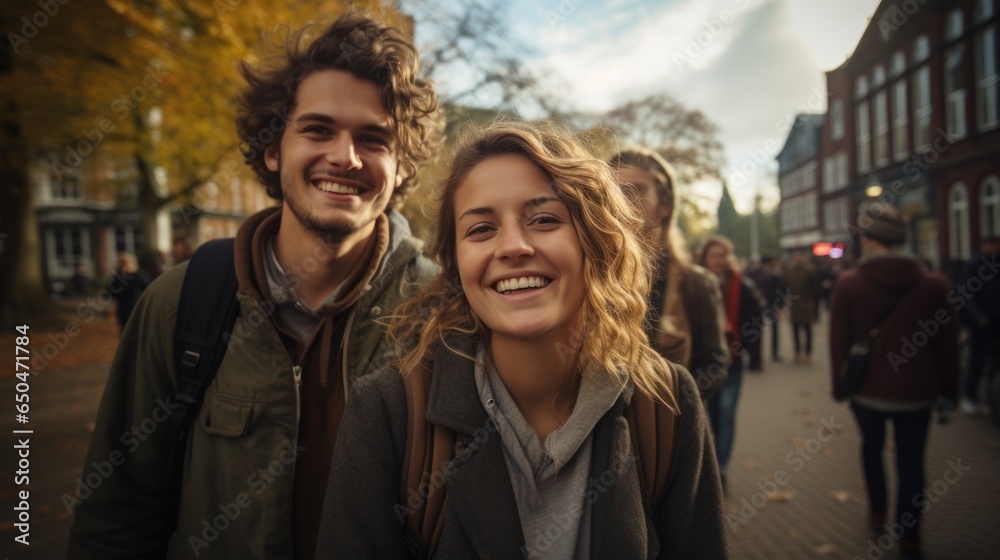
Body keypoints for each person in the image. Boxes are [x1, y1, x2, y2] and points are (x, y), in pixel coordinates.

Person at [67, 13, 439, 559]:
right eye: (318, 129)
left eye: (373, 138)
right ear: (272, 149)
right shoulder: (178, 304)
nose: (345, 156)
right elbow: (116, 514)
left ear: (401, 167)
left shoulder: (441, 313)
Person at [317, 123, 727, 558]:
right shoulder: (387, 410)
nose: (513, 247)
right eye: (481, 229)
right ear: (455, 265)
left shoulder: (667, 403)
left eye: (544, 220)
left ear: (595, 241)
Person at [829, 206, 959, 560]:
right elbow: (947, 345)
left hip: (866, 390)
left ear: (871, 241)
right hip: (918, 392)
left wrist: (840, 386)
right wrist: (950, 391)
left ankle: (877, 511)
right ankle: (910, 535)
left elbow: (838, 341)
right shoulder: (934, 285)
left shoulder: (850, 283)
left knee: (871, 449)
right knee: (912, 462)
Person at [608, 147, 728, 398]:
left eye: (636, 190)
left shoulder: (696, 284)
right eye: (613, 190)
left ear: (665, 205)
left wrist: (674, 406)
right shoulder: (584, 278)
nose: (621, 200)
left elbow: (714, 363)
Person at [697, 235, 762, 490]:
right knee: (707, 416)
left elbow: (756, 320)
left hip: (731, 362)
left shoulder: (741, 285)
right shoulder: (695, 285)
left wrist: (741, 342)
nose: (718, 260)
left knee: (726, 412)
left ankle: (720, 467)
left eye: (722, 255)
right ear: (705, 258)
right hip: (703, 365)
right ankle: (709, 462)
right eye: (713, 255)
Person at [957, 236, 1000, 414]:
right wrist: (978, 317)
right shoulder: (973, 266)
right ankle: (969, 396)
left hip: (997, 320)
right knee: (977, 358)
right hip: (980, 324)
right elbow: (964, 293)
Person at [786, 250, 818, 364]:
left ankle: (808, 354)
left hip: (806, 305)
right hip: (794, 306)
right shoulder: (790, 271)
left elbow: (815, 290)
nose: (798, 259)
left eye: (800, 257)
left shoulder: (810, 271)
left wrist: (814, 308)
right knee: (795, 331)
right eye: (796, 257)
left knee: (808, 331)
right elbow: (786, 288)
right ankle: (797, 354)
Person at [108, 252, 151, 332]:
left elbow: (148, 290)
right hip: (123, 310)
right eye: (121, 264)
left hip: (137, 309)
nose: (123, 267)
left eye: (124, 264)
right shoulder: (118, 278)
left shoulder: (139, 276)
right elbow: (110, 292)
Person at [755, 256, 787, 363]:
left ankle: (773, 353)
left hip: (771, 306)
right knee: (757, 330)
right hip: (762, 306)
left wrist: (780, 307)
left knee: (773, 330)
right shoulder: (757, 274)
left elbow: (780, 292)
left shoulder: (775, 276)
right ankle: (757, 355)